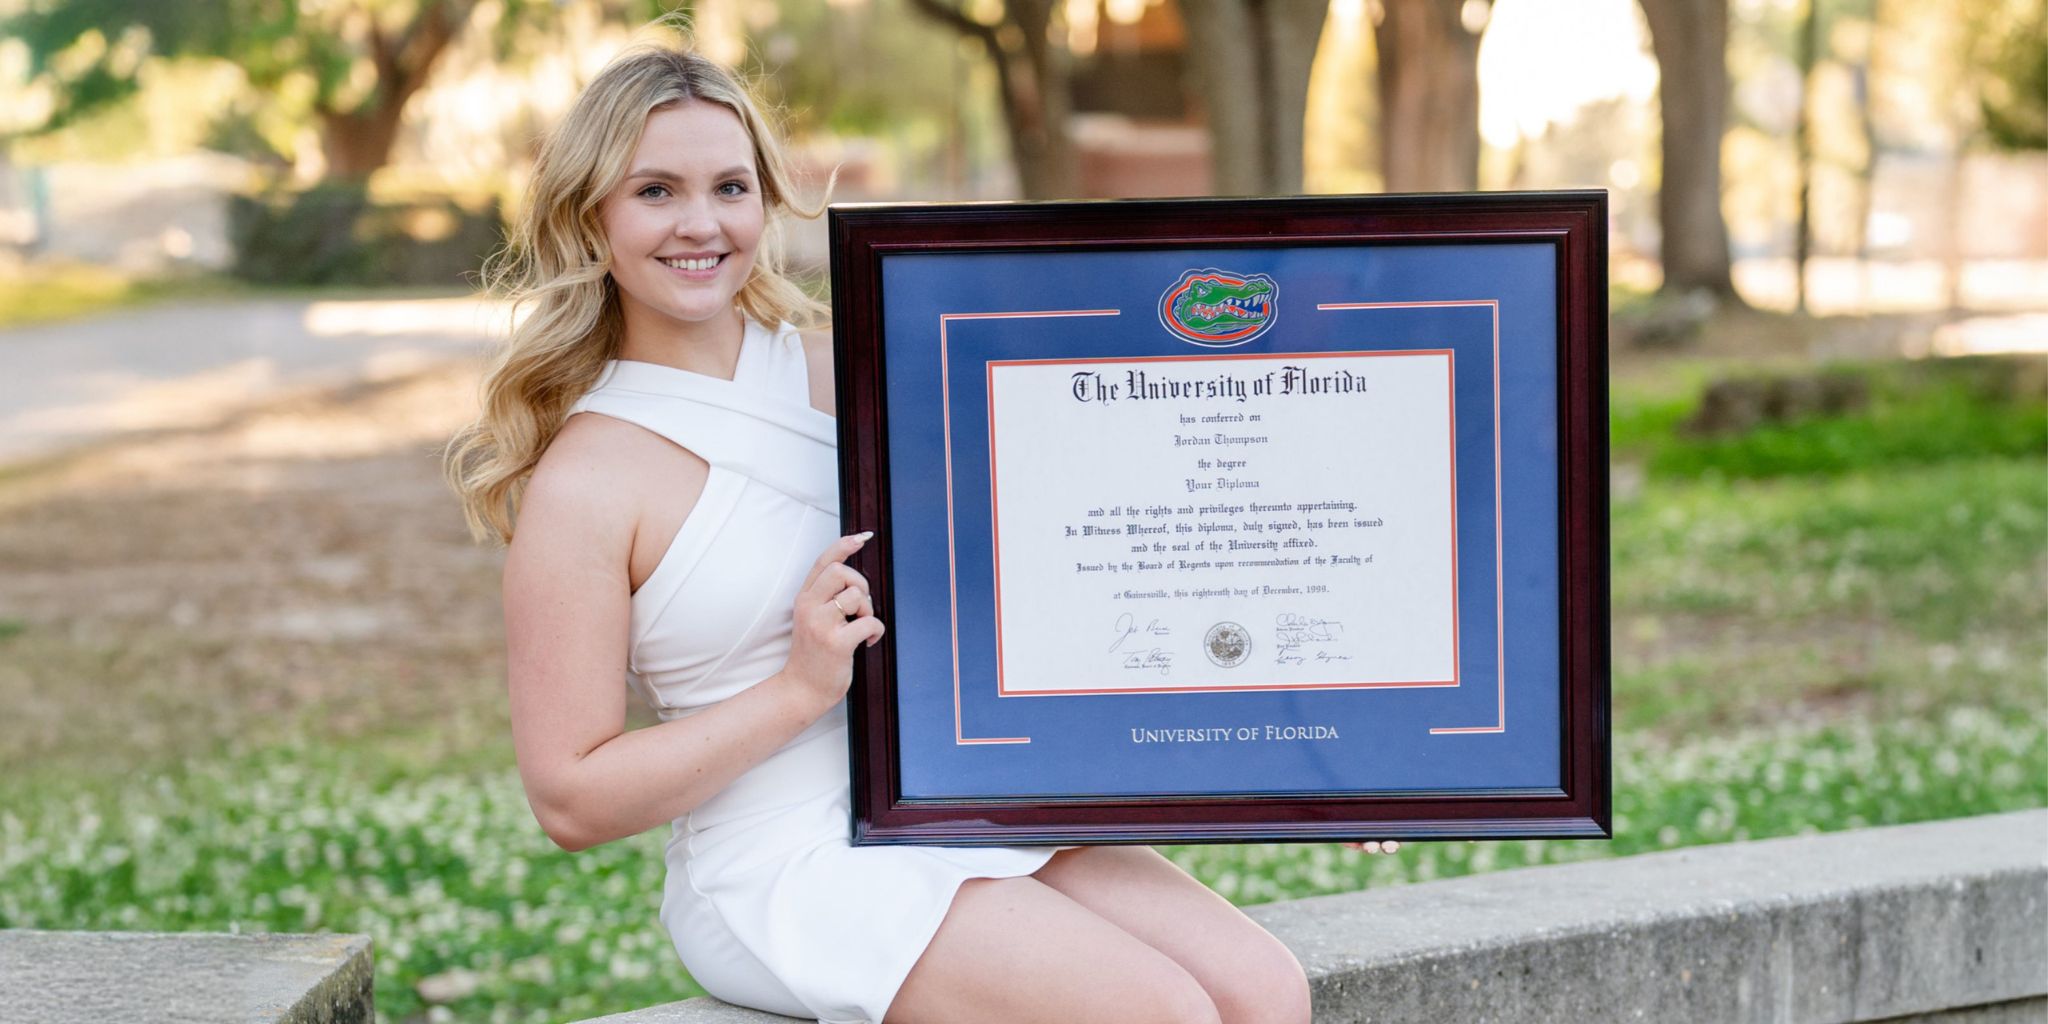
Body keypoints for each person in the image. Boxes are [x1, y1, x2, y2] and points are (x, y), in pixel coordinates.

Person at [447, 32, 1381, 1024]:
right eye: (655, 191)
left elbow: (1085, 559)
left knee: (1264, 992)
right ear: (590, 213)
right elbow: (571, 800)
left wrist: (1318, 757)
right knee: (1156, 1011)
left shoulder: (867, 359)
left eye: (730, 186)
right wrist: (799, 687)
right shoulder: (584, 482)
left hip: (955, 789)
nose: (700, 223)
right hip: (780, 852)